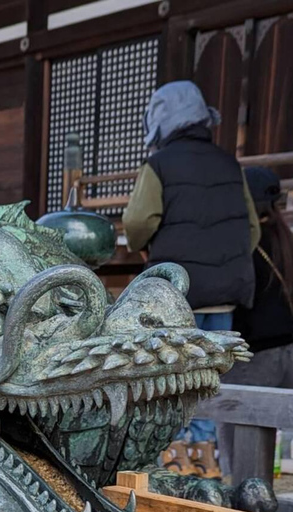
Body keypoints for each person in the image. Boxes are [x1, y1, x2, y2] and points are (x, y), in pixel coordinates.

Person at [122, 80, 261, 479]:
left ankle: (173, 466)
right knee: (209, 382)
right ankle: (206, 464)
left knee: (171, 383)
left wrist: (147, 247)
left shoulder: (160, 165)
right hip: (224, 298)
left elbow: (136, 223)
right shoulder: (229, 164)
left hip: (178, 296)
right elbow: (251, 230)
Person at [217, 166, 293, 477]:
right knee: (281, 447)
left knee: (238, 440)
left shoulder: (245, 245)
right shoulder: (286, 240)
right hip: (289, 351)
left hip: (256, 355)